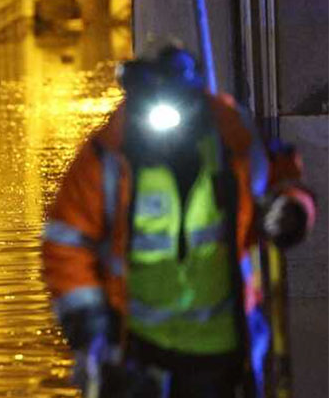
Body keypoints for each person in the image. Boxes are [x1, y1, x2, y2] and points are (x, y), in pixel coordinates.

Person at [41, 46, 316, 398]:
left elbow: (282, 176)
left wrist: (292, 210)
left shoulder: (230, 136)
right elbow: (66, 242)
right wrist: (88, 325)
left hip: (222, 346)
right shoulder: (109, 155)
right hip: (137, 350)